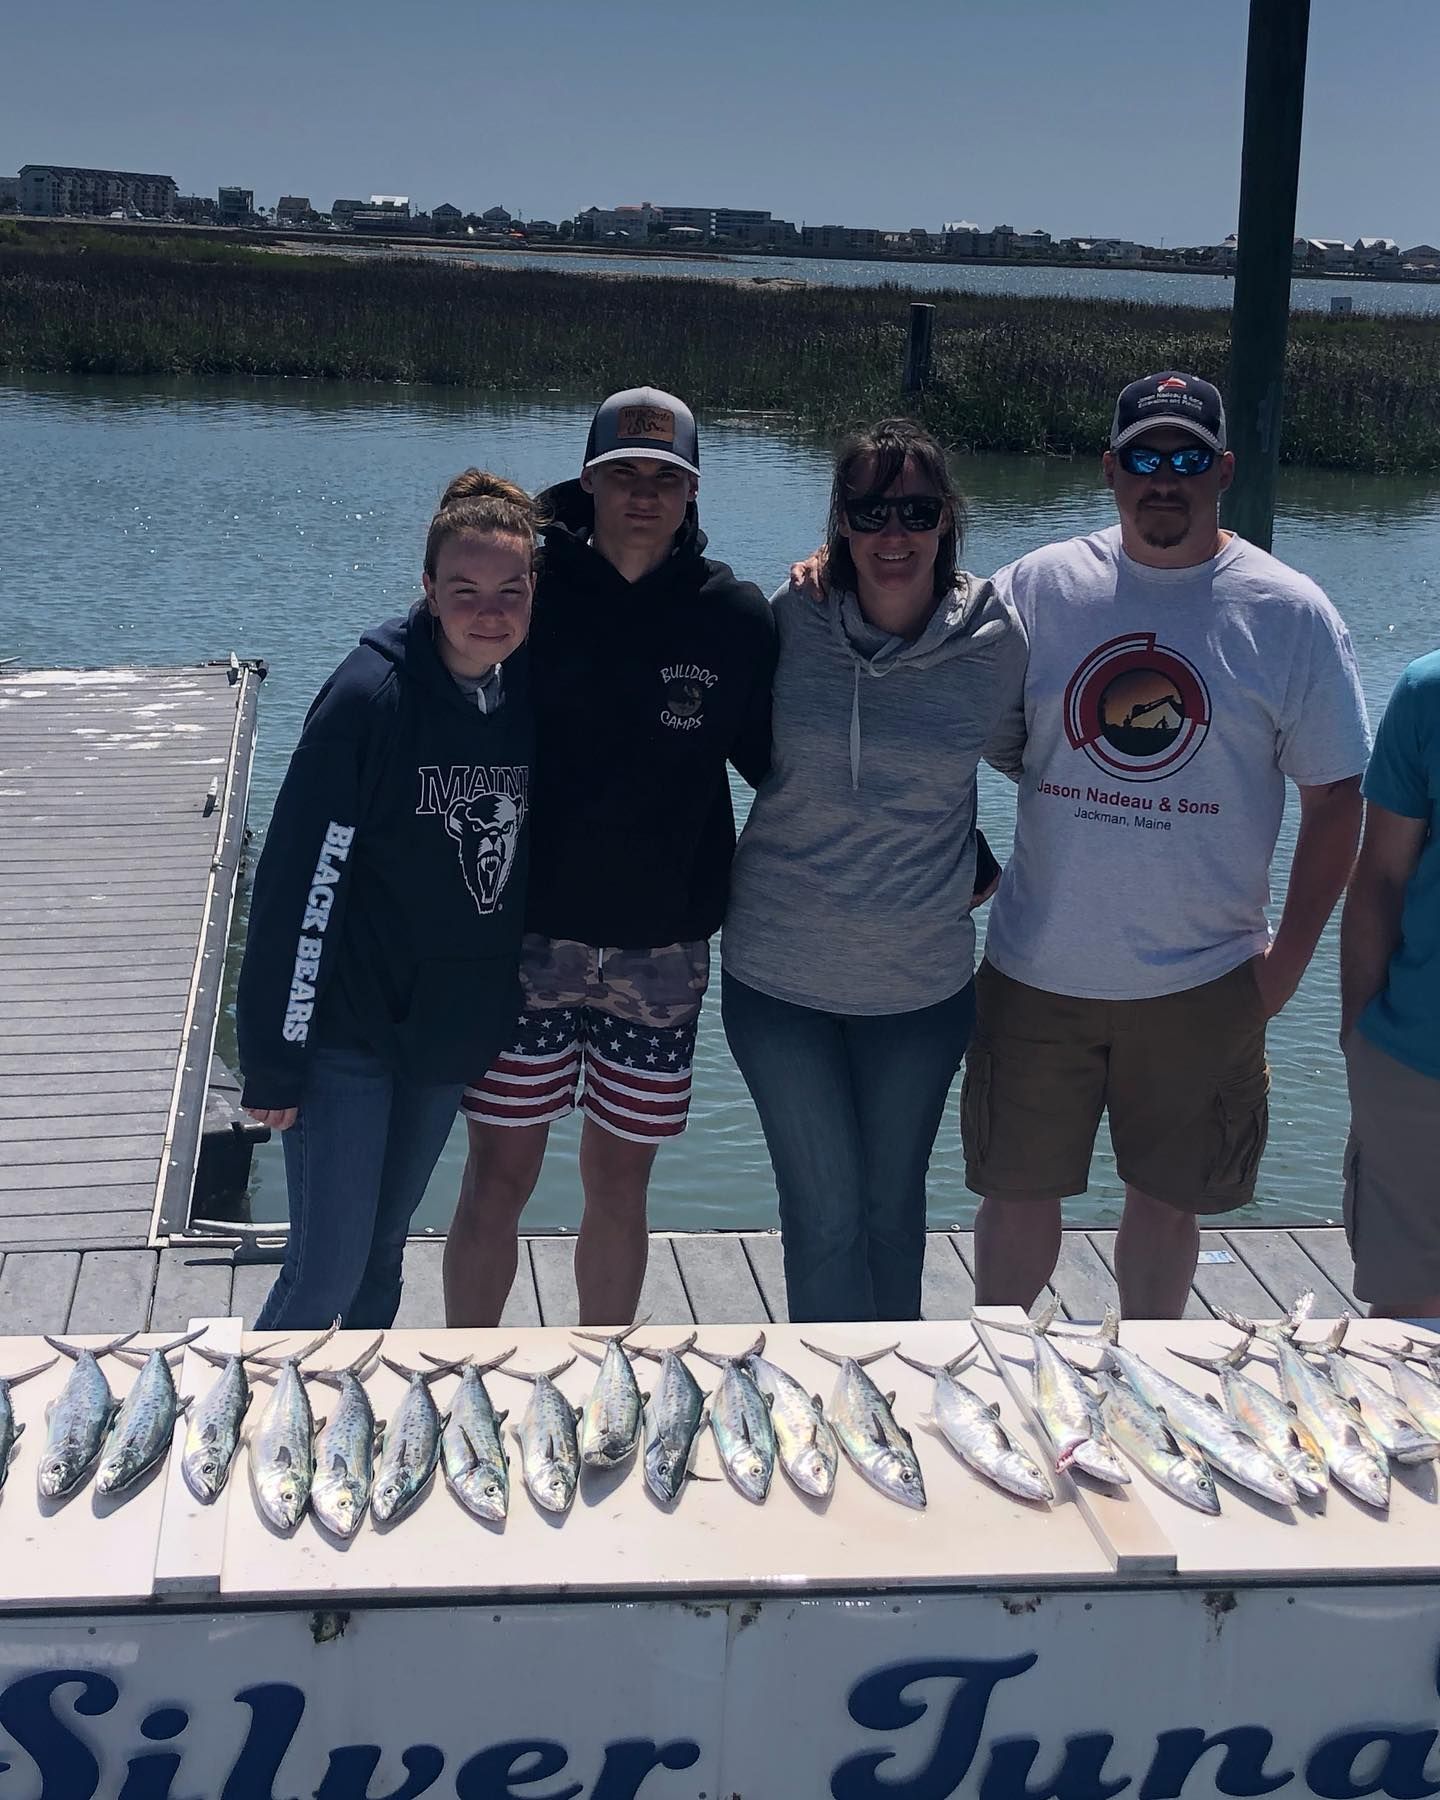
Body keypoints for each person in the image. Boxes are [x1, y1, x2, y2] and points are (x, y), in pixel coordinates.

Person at [964, 372, 1369, 1318]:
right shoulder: (1037, 586)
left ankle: (1154, 1377)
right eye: (1144, 457)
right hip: (1037, 968)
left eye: (1188, 459)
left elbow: (1337, 799)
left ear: (1223, 471)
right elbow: (959, 722)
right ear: (1110, 469)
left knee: (1167, 1205)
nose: (1165, 479)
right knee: (1015, 1197)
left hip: (1207, 978)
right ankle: (1006, 1376)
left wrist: (1288, 967)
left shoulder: (1291, 612)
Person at [446, 387, 776, 1328]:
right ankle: (468, 1368)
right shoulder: (527, 593)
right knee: (496, 1174)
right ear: (586, 481)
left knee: (619, 1183)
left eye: (664, 477)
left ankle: (604, 1370)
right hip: (524, 939)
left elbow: (783, 769)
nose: (643, 494)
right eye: (622, 474)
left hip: (661, 951)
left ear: (693, 490)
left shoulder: (738, 617)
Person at [722, 420, 1026, 1323]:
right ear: (840, 524)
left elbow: (1049, 762)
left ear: (947, 521)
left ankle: (891, 1400)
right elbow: (726, 733)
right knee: (822, 1218)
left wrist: (986, 860)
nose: (894, 535)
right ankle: (826, 1407)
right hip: (778, 981)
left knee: (893, 1217)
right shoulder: (792, 617)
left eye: (916, 510)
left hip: (922, 995)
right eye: (870, 511)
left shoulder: (997, 640)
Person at [237, 470, 538, 1329]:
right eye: (465, 590)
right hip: (346, 1033)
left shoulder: (519, 696)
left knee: (381, 1257)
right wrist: (275, 1052)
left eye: (510, 591)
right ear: (428, 591)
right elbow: (300, 882)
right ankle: (254, 1439)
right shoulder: (368, 697)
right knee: (323, 1274)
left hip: (441, 1035)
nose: (490, 611)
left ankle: (353, 1447)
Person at [1339, 650, 1440, 1318]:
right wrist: (1358, 1034)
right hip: (1417, 1065)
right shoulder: (1427, 690)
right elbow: (1378, 875)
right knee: (1409, 1334)